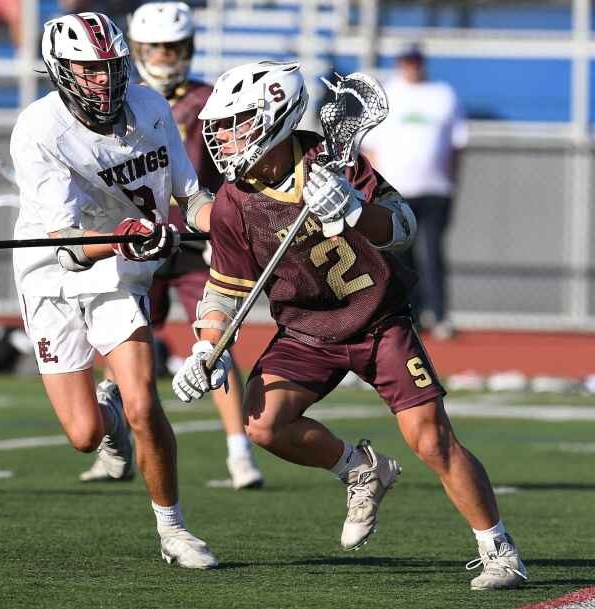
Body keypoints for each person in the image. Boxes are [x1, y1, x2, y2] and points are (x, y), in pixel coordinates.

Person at [171, 60, 528, 590]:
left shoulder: (330, 159)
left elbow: (402, 226)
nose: (222, 137)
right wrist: (207, 348)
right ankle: (360, 469)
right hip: (306, 331)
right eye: (219, 127)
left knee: (430, 440)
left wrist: (356, 210)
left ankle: (499, 550)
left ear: (275, 117)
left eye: (235, 123)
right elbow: (226, 289)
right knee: (263, 424)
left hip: (377, 321)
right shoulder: (231, 203)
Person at [10, 11, 218, 569]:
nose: (104, 80)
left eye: (111, 67)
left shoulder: (150, 107)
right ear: (61, 70)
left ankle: (173, 529)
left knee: (144, 403)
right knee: (83, 435)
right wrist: (128, 235)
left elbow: (192, 199)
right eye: (89, 69)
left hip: (118, 276)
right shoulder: (39, 129)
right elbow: (70, 247)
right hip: (52, 275)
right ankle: (109, 420)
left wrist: (229, 225)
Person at [79, 1, 264, 490]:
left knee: (214, 344)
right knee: (120, 345)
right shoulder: (117, 103)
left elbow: (231, 169)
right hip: (136, 239)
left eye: (173, 46)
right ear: (137, 49)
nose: (163, 55)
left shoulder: (210, 99)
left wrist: (224, 227)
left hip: (194, 241)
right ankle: (113, 443)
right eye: (155, 46)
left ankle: (239, 452)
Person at [361, 43, 468, 340]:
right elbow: (371, 148)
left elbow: (458, 144)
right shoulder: (387, 94)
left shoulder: (442, 94)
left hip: (435, 189)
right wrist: (374, 189)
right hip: (396, 191)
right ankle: (412, 315)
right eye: (407, 60)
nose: (411, 66)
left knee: (433, 252)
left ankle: (440, 314)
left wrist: (452, 182)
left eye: (415, 60)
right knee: (401, 257)